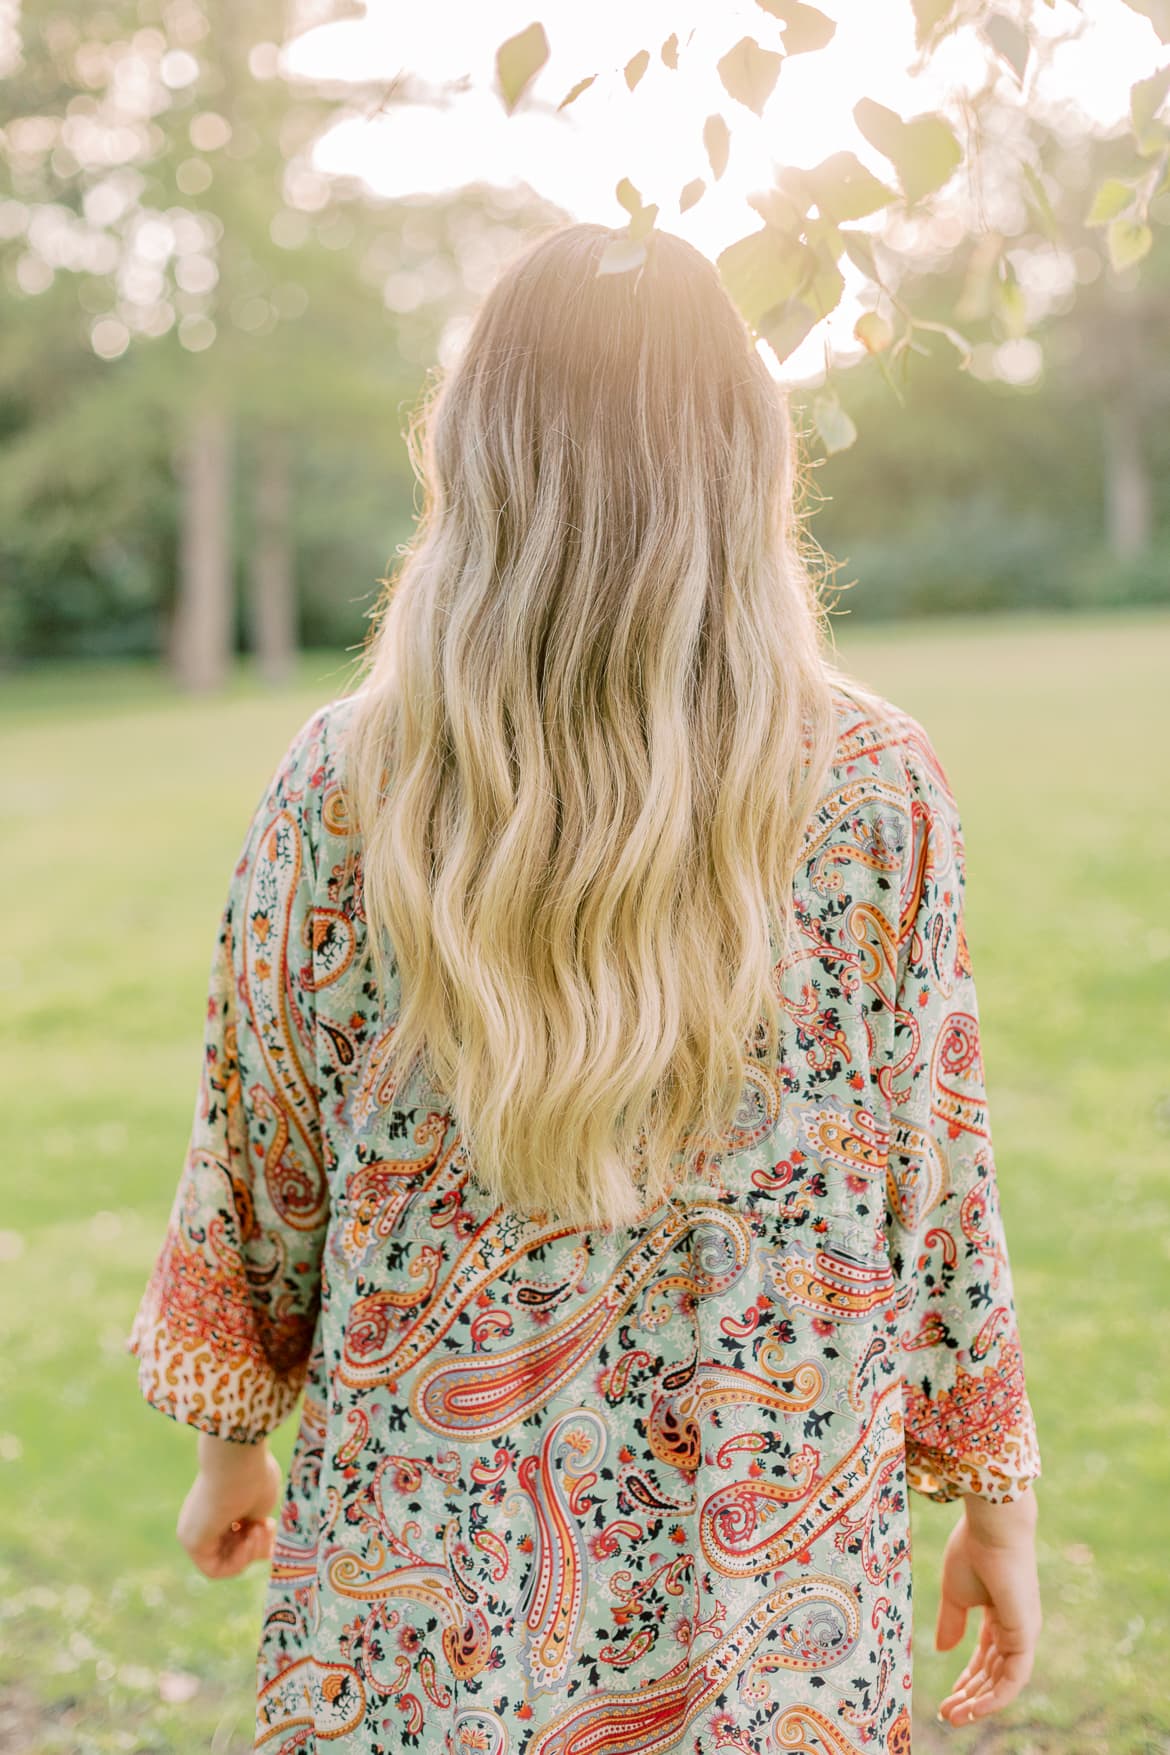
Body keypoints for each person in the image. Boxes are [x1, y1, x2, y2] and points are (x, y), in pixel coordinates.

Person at [126, 222, 1042, 1753]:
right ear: (743, 458)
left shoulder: (349, 782)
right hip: (765, 1558)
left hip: (428, 1563)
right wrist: (995, 1506)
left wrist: (234, 1447)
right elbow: (935, 1174)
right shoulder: (876, 785)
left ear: (475, 455)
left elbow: (259, 1158)